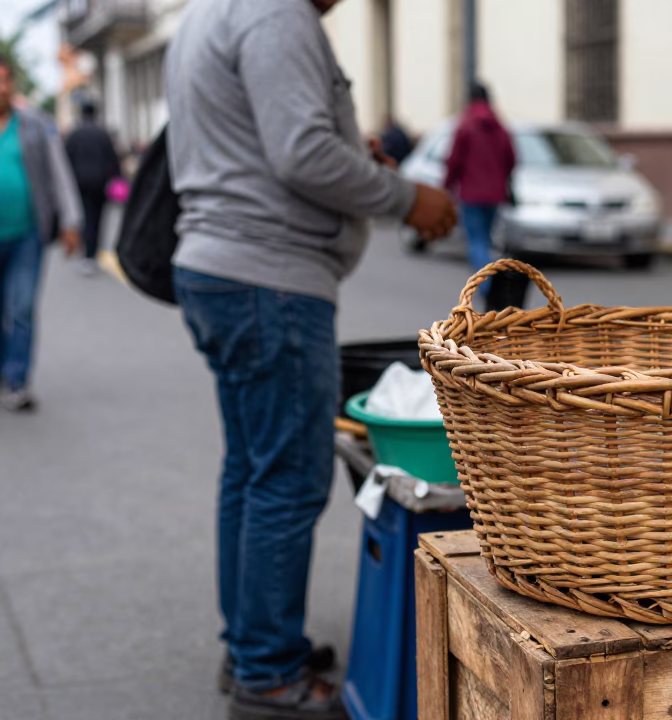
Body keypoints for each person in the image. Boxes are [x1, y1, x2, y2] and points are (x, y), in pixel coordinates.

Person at [164, 0, 456, 715]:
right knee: (288, 479)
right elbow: (300, 154)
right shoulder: (275, 14)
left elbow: (269, 142)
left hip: (225, 269)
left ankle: (253, 647)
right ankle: (268, 674)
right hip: (268, 279)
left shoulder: (212, 13)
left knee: (253, 469)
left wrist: (350, 154)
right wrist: (404, 196)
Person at [0, 59, 82, 413]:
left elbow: (58, 172)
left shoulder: (34, 125)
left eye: (4, 80)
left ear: (13, 85)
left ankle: (16, 379)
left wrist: (71, 220)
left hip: (26, 235)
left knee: (21, 307)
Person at [445, 82, 516, 296]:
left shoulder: (465, 125)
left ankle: (485, 287)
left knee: (476, 241)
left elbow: (454, 160)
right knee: (486, 239)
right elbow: (511, 158)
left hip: (471, 195)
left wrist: (447, 186)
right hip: (495, 195)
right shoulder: (500, 126)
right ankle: (492, 281)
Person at [63, 100, 122, 276]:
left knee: (84, 217)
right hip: (100, 183)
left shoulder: (74, 134)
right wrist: (118, 179)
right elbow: (113, 159)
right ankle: (93, 252)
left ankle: (86, 254)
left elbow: (65, 159)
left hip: (79, 183)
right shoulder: (103, 134)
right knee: (98, 218)